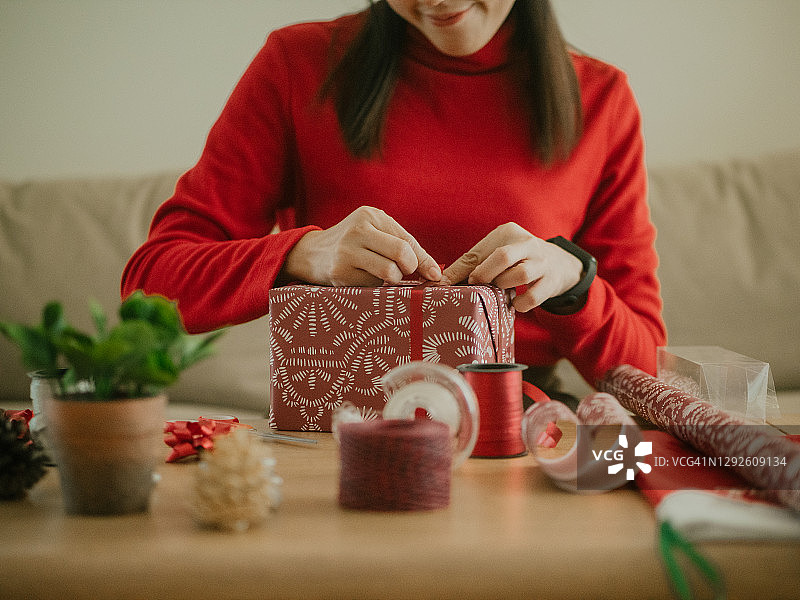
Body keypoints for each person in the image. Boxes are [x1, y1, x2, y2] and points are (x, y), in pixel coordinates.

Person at [121, 0, 667, 397]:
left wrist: (573, 284)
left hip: (520, 430)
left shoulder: (602, 99)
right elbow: (148, 285)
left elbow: (648, 369)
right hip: (338, 421)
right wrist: (301, 255)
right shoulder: (298, 64)